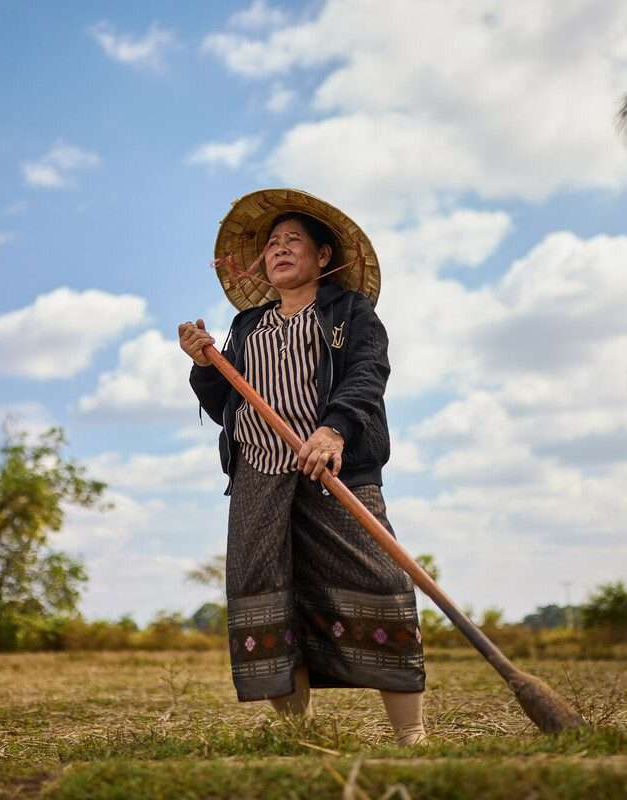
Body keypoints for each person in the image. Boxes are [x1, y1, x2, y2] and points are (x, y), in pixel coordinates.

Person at [178, 188, 427, 747]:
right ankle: (298, 734)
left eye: (294, 241)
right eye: (272, 244)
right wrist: (204, 365)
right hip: (259, 476)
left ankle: (410, 736)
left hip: (331, 470)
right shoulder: (247, 327)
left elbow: (367, 375)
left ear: (322, 258)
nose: (280, 248)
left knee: (380, 580)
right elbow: (227, 405)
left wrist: (332, 429)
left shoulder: (350, 314)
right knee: (268, 596)